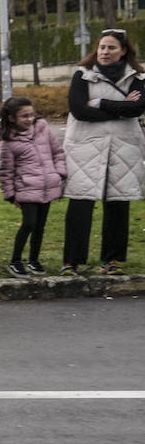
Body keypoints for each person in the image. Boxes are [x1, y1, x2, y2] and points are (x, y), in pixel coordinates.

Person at [60, 28, 145, 276]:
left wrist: (99, 103)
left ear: (124, 51)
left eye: (111, 48)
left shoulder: (138, 77)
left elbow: (137, 109)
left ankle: (112, 260)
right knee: (80, 204)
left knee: (118, 205)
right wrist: (121, 107)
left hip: (123, 148)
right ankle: (71, 262)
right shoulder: (82, 75)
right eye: (102, 47)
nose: (105, 52)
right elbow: (79, 111)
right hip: (85, 147)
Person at [0, 96, 64, 278]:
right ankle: (15, 260)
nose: (29, 119)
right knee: (29, 224)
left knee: (40, 226)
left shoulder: (43, 130)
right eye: (24, 116)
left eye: (31, 115)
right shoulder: (10, 143)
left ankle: (34, 260)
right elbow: (6, 172)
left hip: (47, 186)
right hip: (26, 189)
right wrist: (11, 195)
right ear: (12, 118)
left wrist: (59, 173)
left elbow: (57, 152)